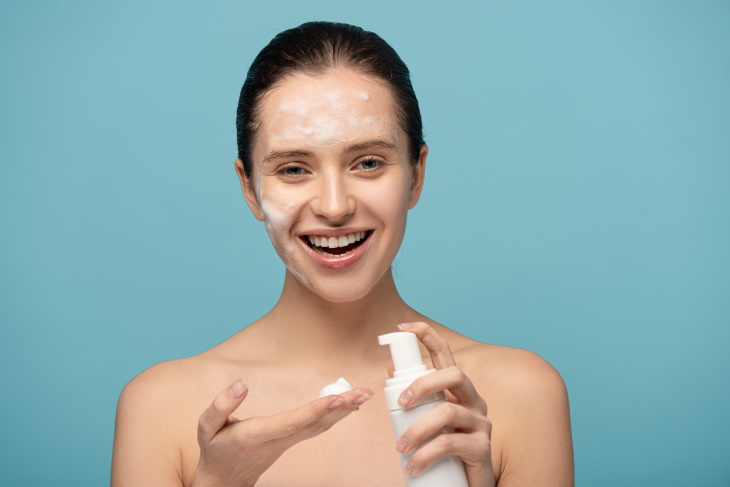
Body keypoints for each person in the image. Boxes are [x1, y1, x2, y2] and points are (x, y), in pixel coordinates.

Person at [111, 21, 574, 486]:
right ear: (249, 190)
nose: (335, 207)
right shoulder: (160, 408)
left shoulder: (520, 396)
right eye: (293, 169)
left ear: (415, 174)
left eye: (368, 162)